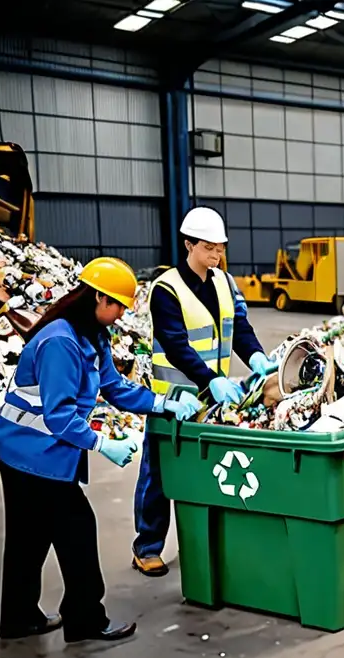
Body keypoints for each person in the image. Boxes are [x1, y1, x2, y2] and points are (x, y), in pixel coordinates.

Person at [0, 258, 202, 642]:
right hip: (31, 453)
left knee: (30, 537)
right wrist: (102, 443)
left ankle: (20, 618)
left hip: (32, 450)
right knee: (77, 532)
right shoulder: (60, 342)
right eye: (118, 305)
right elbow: (58, 416)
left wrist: (162, 404)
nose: (122, 313)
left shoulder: (92, 336)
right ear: (96, 298)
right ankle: (84, 620)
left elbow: (115, 387)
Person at [132, 206, 277, 577]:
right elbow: (176, 344)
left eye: (220, 248)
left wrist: (256, 355)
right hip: (173, 399)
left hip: (215, 398)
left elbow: (239, 327)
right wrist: (208, 377)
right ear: (189, 245)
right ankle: (147, 546)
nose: (216, 255)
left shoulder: (225, 283)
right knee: (158, 473)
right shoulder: (166, 289)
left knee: (213, 470)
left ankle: (208, 543)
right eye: (209, 248)